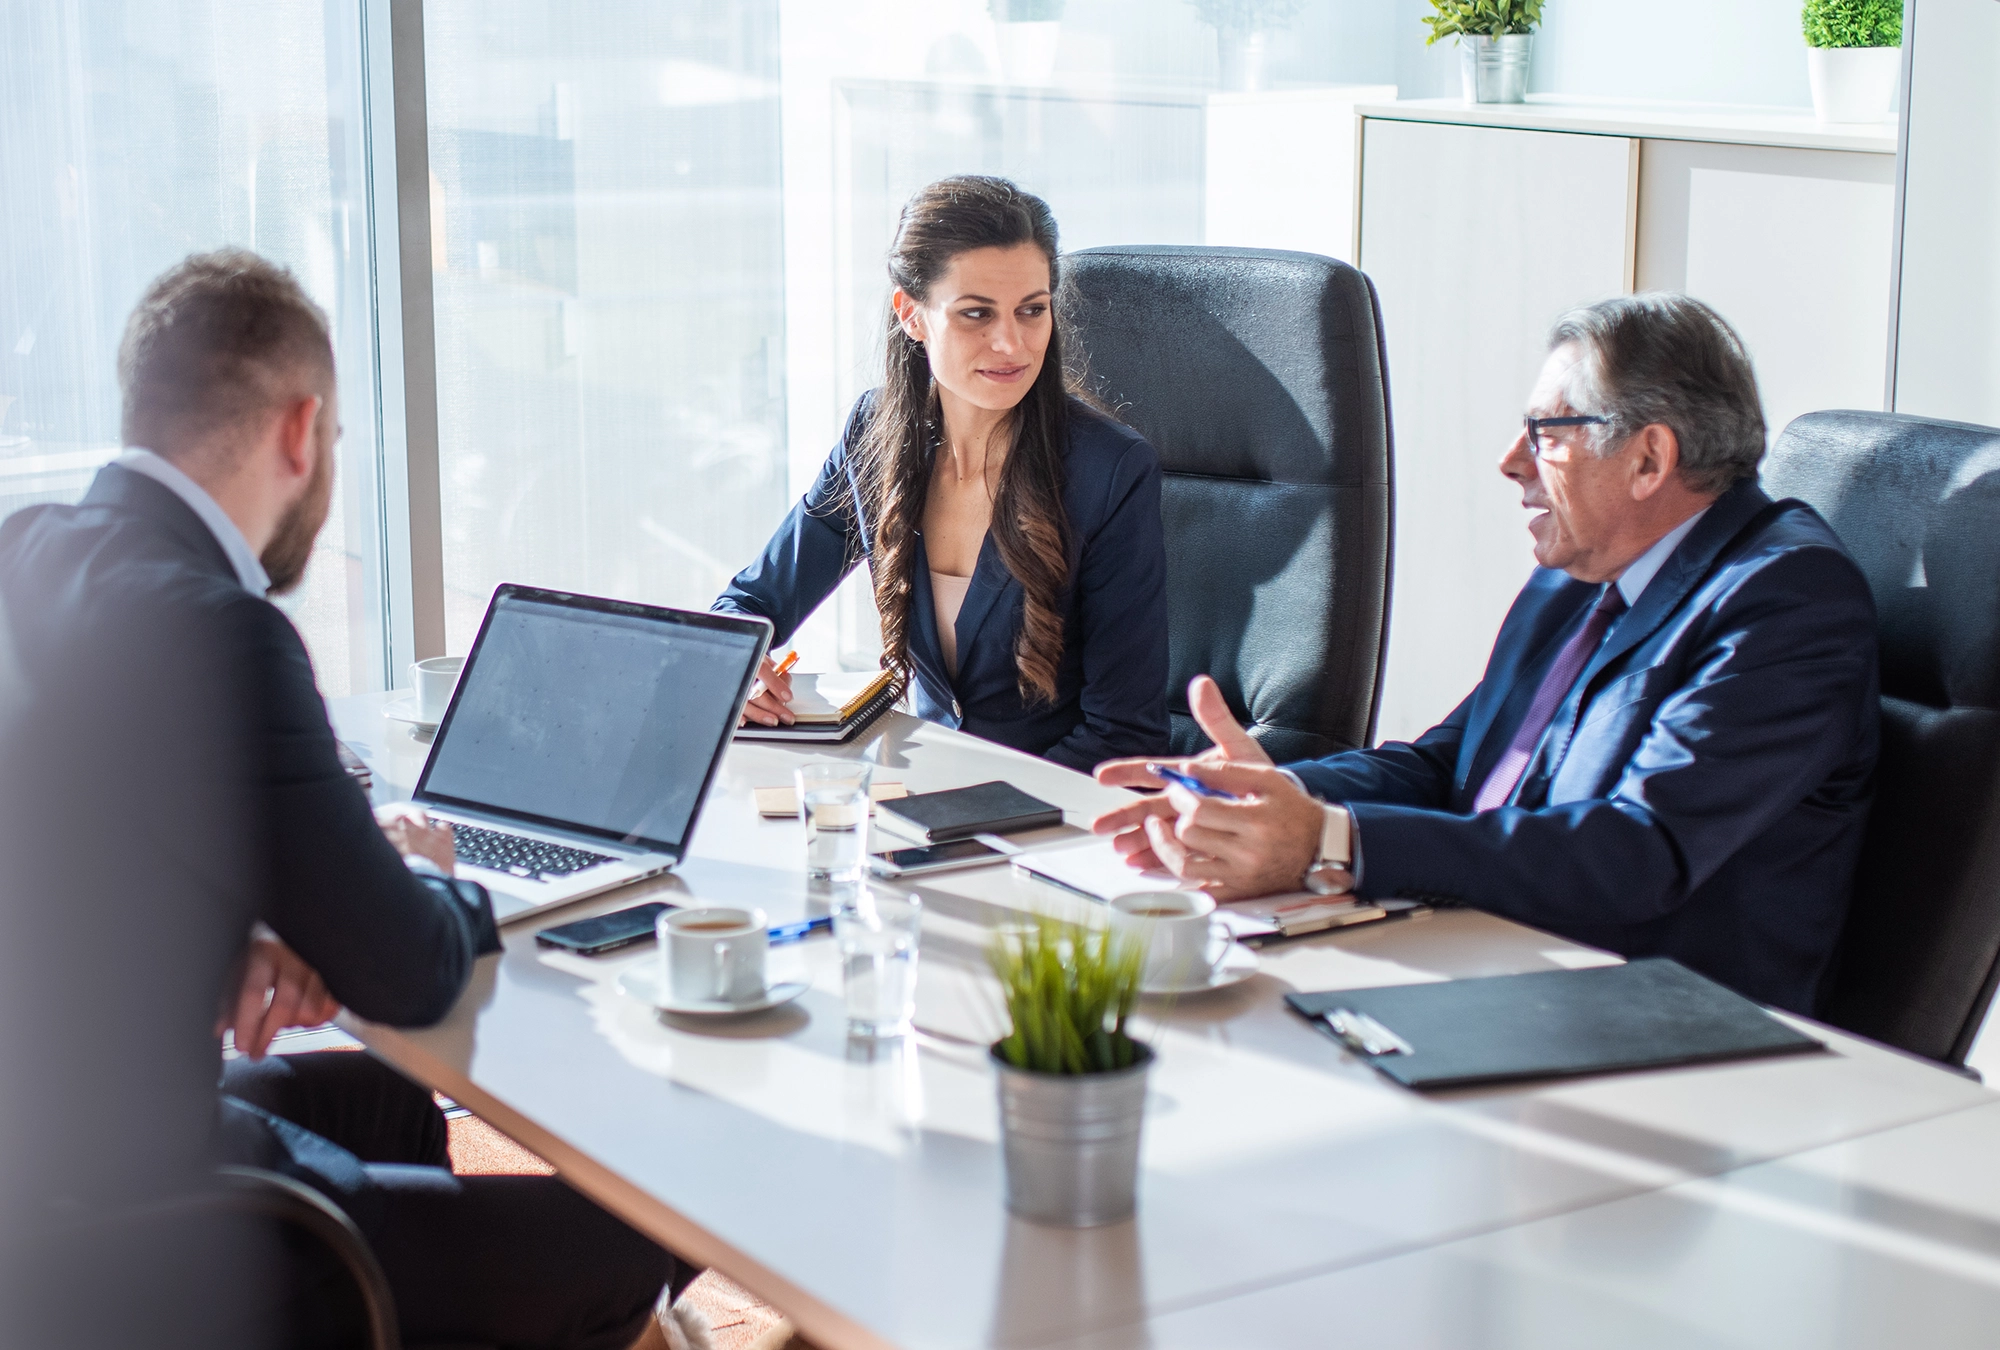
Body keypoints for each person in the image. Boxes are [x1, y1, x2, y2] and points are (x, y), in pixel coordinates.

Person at [0, 251, 701, 1350]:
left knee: (387, 1101)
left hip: (47, 1170)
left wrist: (247, 923)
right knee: (627, 1241)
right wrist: (422, 871)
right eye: (332, 440)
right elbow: (410, 974)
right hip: (140, 1230)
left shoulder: (29, 553)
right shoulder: (221, 631)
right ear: (300, 431)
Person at [1091, 295, 1879, 1015]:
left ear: (1649, 459)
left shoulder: (1787, 599)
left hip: (1656, 1022)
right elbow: (1450, 767)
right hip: (1499, 961)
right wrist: (1263, 799)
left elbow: (1640, 852)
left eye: (1547, 433)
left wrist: (1332, 841)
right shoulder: (1580, 573)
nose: (1511, 461)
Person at [715, 175, 1170, 771]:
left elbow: (1125, 737)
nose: (1012, 344)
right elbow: (750, 603)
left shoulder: (1108, 470)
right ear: (911, 314)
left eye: (1032, 310)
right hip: (916, 783)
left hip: (1045, 804)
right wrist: (741, 667)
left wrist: (974, 804)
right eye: (976, 313)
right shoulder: (875, 434)